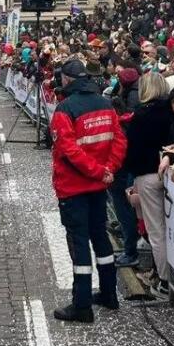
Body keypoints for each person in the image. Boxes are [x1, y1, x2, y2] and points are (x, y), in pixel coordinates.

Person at [49, 58, 126, 324]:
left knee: (79, 244)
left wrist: (97, 170)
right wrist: (108, 169)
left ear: (67, 80)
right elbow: (119, 140)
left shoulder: (64, 109)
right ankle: (108, 294)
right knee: (101, 239)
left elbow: (69, 151)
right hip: (99, 185)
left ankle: (82, 305)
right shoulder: (106, 104)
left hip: (74, 187)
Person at [122, 72, 174, 299]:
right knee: (172, 229)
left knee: (156, 230)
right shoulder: (172, 113)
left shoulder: (142, 115)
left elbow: (134, 150)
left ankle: (164, 281)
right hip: (172, 174)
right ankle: (171, 277)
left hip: (148, 174)